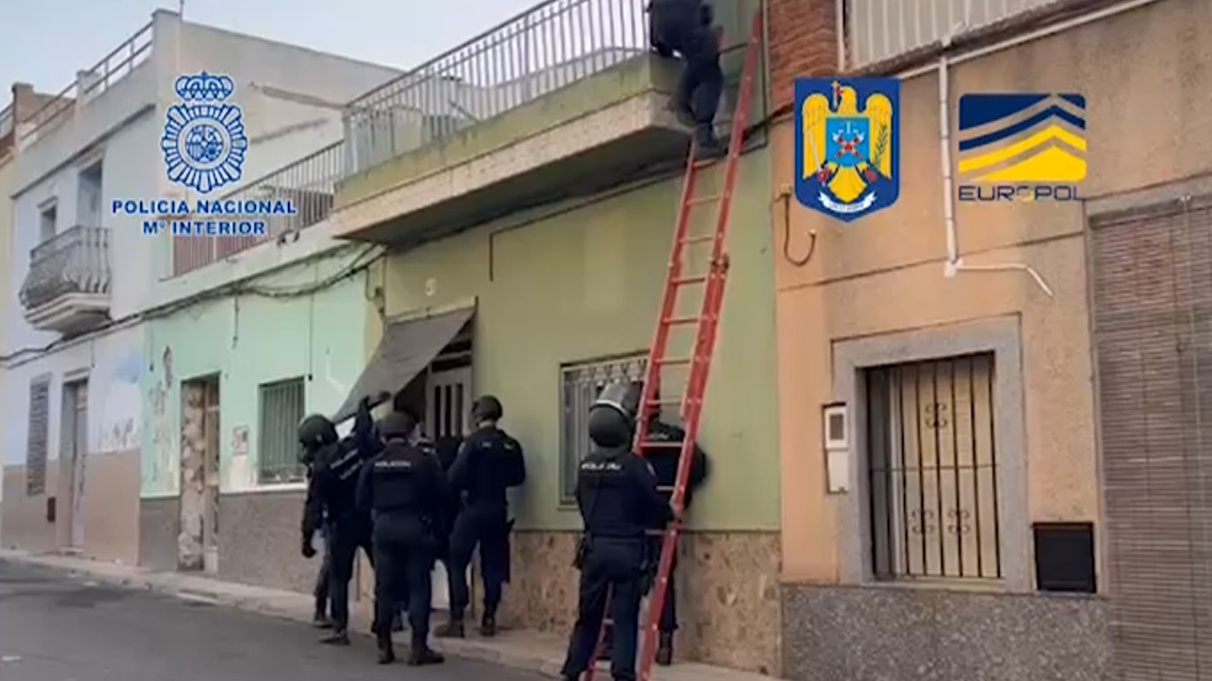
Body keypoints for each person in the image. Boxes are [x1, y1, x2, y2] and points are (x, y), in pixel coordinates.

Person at [559, 381, 675, 681]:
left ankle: (572, 671)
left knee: (588, 618)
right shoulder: (634, 465)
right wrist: (670, 513)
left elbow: (582, 503)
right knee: (624, 618)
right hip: (627, 551)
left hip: (595, 550)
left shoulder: (585, 466)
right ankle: (623, 675)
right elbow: (654, 504)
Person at [598, 382, 710, 665]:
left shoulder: (631, 442)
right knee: (664, 581)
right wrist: (679, 498)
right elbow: (698, 465)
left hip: (634, 521)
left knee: (624, 583)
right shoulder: (675, 437)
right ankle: (665, 644)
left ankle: (612, 643)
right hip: (665, 519)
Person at [356, 410, 448, 666]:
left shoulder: (373, 463)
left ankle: (384, 647)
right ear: (411, 434)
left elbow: (361, 502)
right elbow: (443, 492)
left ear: (383, 436)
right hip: (416, 528)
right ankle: (418, 648)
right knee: (419, 587)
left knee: (384, 589)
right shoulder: (424, 460)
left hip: (384, 529)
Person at [437, 395, 526, 639]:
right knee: (493, 563)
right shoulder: (510, 444)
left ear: (477, 416)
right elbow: (519, 477)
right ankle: (489, 617)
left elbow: (454, 477)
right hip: (499, 509)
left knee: (456, 559)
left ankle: (457, 618)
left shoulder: (471, 444)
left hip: (474, 507)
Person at [299, 399, 380, 645]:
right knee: (384, 571)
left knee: (339, 578)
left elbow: (313, 506)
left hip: (341, 525)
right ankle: (388, 618)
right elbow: (363, 430)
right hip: (367, 519)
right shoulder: (353, 447)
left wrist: (306, 538)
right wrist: (364, 408)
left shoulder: (321, 469)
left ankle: (339, 628)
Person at [648, 0, 724, 156]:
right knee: (711, 75)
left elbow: (658, 41)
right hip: (684, 17)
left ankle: (680, 97)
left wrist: (662, 45)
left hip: (661, 24)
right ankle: (704, 137)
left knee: (697, 60)